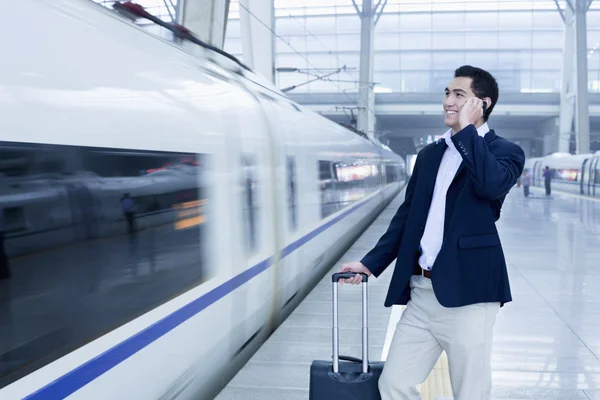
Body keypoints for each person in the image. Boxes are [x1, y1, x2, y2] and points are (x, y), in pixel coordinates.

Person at [339, 65, 525, 400]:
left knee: (470, 392)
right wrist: (370, 263)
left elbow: (490, 185)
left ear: (482, 104)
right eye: (447, 93)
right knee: (393, 383)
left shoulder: (505, 152)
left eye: (459, 95)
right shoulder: (430, 155)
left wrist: (468, 131)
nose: (448, 101)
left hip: (471, 295)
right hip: (422, 292)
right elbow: (407, 216)